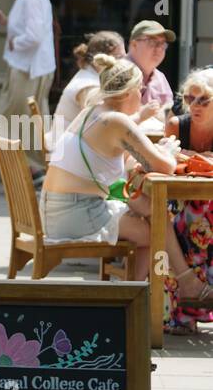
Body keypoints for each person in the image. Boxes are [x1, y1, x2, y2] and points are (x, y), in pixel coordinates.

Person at [41, 56, 184, 291]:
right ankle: (133, 297)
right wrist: (168, 150)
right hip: (77, 213)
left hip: (58, 209)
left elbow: (121, 159)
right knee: (153, 234)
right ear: (129, 92)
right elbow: (165, 167)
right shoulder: (116, 121)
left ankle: (139, 292)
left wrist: (148, 158)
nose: (143, 95)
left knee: (149, 210)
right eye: (141, 90)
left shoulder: (91, 110)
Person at [0, 0, 56, 177]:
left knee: (18, 118)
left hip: (29, 68)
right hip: (24, 65)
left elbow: (34, 35)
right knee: (19, 117)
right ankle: (29, 165)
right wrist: (5, 21)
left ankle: (32, 166)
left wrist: (15, 42)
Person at [161, 67, 213, 332]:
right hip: (179, 200)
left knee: (200, 221)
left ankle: (190, 306)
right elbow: (165, 160)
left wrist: (192, 157)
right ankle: (186, 307)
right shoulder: (176, 125)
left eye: (203, 100)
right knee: (190, 222)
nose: (195, 106)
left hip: (208, 203)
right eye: (190, 99)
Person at [48, 31, 126, 148]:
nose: (124, 63)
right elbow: (98, 118)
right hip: (64, 153)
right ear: (101, 59)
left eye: (124, 56)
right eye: (119, 58)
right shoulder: (87, 85)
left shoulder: (93, 76)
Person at [127, 20, 176, 112]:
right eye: (152, 42)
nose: (159, 48)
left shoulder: (160, 77)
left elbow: (168, 114)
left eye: (163, 44)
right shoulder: (117, 73)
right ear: (134, 44)